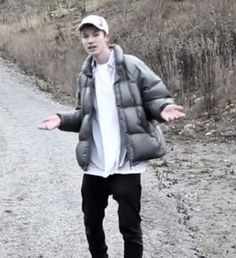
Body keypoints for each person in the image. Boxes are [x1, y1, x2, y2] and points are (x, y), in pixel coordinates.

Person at [39, 15, 185, 258]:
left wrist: (162, 108)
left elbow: (154, 96)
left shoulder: (131, 65)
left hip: (126, 164)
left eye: (95, 34)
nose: (90, 40)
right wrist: (61, 119)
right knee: (92, 223)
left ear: (106, 36)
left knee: (130, 227)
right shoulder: (85, 75)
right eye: (85, 36)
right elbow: (82, 115)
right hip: (95, 164)